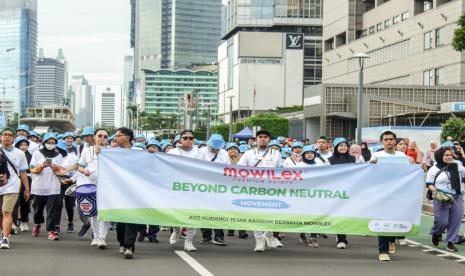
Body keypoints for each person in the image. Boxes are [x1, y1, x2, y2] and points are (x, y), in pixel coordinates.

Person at [237, 130, 283, 252]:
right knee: (256, 215)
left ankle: (268, 234)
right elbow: (240, 170)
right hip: (254, 189)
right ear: (256, 139)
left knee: (273, 214)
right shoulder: (248, 153)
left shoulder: (276, 154)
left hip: (272, 189)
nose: (263, 139)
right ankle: (259, 240)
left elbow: (281, 171)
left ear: (269, 140)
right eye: (260, 137)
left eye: (265, 137)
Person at [370, 130, 412, 261]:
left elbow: (409, 171)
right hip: (381, 194)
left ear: (395, 141)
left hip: (399, 194)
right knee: (383, 220)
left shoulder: (402, 156)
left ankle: (391, 239)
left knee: (396, 220)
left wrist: (415, 166)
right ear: (382, 141)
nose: (389, 141)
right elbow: (367, 171)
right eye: (386, 139)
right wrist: (371, 166)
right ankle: (383, 250)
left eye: (391, 139)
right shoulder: (376, 156)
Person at [427, 146, 465, 252]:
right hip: (441, 197)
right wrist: (436, 192)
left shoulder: (458, 166)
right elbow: (429, 184)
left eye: (450, 155)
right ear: (440, 156)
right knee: (442, 221)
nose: (449, 157)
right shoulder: (434, 169)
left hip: (457, 196)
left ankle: (450, 242)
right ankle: (436, 233)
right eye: (446, 155)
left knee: (455, 220)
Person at [168, 130, 200, 252]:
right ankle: (176, 230)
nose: (188, 140)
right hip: (176, 187)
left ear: (194, 140)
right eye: (185, 138)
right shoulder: (173, 152)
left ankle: (189, 241)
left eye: (190, 138)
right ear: (180, 140)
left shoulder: (199, 152)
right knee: (175, 213)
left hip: (195, 188)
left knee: (193, 214)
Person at [78, 128, 110, 249]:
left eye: (105, 136)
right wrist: (84, 171)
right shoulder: (87, 151)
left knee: (105, 212)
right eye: (100, 135)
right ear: (94, 137)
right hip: (91, 185)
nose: (102, 138)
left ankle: (102, 238)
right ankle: (96, 237)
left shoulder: (111, 151)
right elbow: (80, 166)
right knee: (94, 212)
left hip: (107, 185)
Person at [30, 133, 64, 242]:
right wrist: (42, 166)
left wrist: (57, 167)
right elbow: (32, 169)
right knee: (38, 209)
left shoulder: (58, 155)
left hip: (53, 187)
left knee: (52, 210)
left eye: (53, 143)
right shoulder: (37, 153)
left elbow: (62, 171)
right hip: (39, 186)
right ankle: (37, 224)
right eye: (49, 142)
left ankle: (51, 231)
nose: (51, 144)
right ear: (44, 143)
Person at [0, 128, 30, 249]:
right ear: (1, 137)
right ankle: (3, 233)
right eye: (4, 135)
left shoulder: (20, 153)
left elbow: (23, 173)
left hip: (12, 185)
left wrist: (27, 189)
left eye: (10, 135)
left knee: (6, 212)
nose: (7, 137)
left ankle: (6, 238)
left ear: (13, 138)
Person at [199, 134, 230, 246]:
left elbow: (228, 169)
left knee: (219, 212)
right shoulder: (201, 152)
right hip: (203, 186)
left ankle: (219, 236)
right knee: (204, 211)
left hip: (219, 186)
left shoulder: (224, 153)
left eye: (217, 148)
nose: (215, 150)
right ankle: (206, 236)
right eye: (213, 148)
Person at [113, 127, 140, 259]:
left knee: (132, 218)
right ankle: (122, 243)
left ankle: (129, 246)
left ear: (127, 137)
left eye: (118, 135)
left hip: (135, 191)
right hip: (119, 191)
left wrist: (152, 154)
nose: (116, 138)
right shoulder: (112, 153)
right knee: (121, 221)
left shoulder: (139, 151)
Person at [328, 138, 355, 249]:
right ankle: (341, 239)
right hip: (336, 191)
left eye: (345, 145)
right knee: (339, 214)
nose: (343, 147)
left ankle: (342, 236)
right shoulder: (329, 160)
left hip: (350, 190)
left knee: (346, 215)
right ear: (335, 148)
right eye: (340, 145)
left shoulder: (353, 158)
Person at [55, 141, 77, 234]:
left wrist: (71, 179)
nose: (59, 151)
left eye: (61, 150)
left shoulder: (72, 156)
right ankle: (57, 225)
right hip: (58, 181)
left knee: (69, 204)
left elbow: (78, 169)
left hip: (70, 182)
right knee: (58, 203)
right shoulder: (55, 157)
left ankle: (70, 223)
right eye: (57, 149)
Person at [13, 136, 32, 232]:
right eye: (21, 145)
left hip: (26, 179)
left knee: (25, 201)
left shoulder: (31, 155)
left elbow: (32, 168)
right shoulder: (12, 154)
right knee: (14, 202)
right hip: (14, 180)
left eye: (25, 145)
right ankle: (13, 222)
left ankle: (24, 221)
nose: (23, 147)